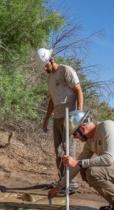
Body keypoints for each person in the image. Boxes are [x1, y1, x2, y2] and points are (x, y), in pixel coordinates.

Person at [49, 120, 114, 210]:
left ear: (82, 127)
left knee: (92, 172)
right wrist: (58, 187)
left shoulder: (107, 126)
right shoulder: (90, 143)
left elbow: (108, 159)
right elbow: (76, 167)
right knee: (85, 171)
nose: (75, 137)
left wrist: (78, 163)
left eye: (75, 134)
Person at [36, 48, 84, 194]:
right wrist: (46, 119)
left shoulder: (66, 71)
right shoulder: (50, 77)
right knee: (58, 151)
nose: (44, 69)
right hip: (57, 116)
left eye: (45, 66)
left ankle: (72, 183)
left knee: (68, 149)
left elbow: (78, 91)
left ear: (51, 60)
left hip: (69, 115)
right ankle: (63, 180)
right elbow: (52, 100)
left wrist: (79, 114)